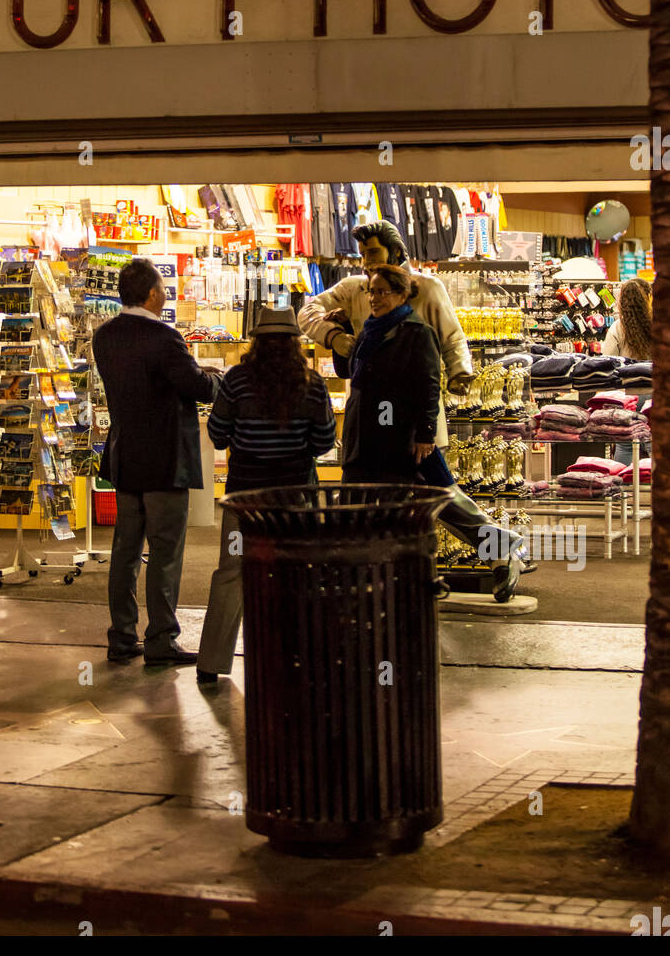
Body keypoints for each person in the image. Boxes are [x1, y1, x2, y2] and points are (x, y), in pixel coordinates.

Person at [298, 218, 528, 596]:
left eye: (373, 253)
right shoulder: (356, 289)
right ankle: (401, 573)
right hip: (371, 421)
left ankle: (483, 553)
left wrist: (459, 375)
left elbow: (451, 339)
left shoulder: (426, 293)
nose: (368, 265)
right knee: (401, 497)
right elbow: (308, 311)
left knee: (432, 493)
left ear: (397, 253)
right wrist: (334, 336)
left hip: (412, 419)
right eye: (363, 256)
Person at [196, 307, 336, 686]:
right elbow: (324, 442)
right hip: (295, 501)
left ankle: (211, 662)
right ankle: (295, 659)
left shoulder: (236, 380)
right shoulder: (311, 384)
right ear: (295, 344)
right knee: (296, 574)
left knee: (232, 573)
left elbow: (218, 433)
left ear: (256, 342)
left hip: (245, 499)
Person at [92, 259, 221, 666]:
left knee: (125, 551)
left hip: (126, 457)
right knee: (165, 553)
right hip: (165, 459)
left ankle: (122, 637)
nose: (166, 293)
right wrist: (217, 375)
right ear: (150, 294)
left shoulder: (104, 337)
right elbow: (198, 387)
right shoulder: (164, 338)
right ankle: (162, 639)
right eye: (163, 287)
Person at [340, 264, 456, 489]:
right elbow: (351, 372)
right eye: (371, 291)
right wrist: (341, 328)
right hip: (360, 436)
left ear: (402, 295)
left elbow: (429, 386)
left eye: (382, 292)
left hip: (392, 432)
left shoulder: (417, 333)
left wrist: (425, 433)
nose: (374, 298)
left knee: (390, 503)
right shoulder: (368, 331)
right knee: (353, 507)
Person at [602, 278, 652, 466]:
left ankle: (623, 487)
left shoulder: (617, 328)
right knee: (654, 444)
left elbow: (607, 362)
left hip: (627, 396)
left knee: (625, 445)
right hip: (655, 394)